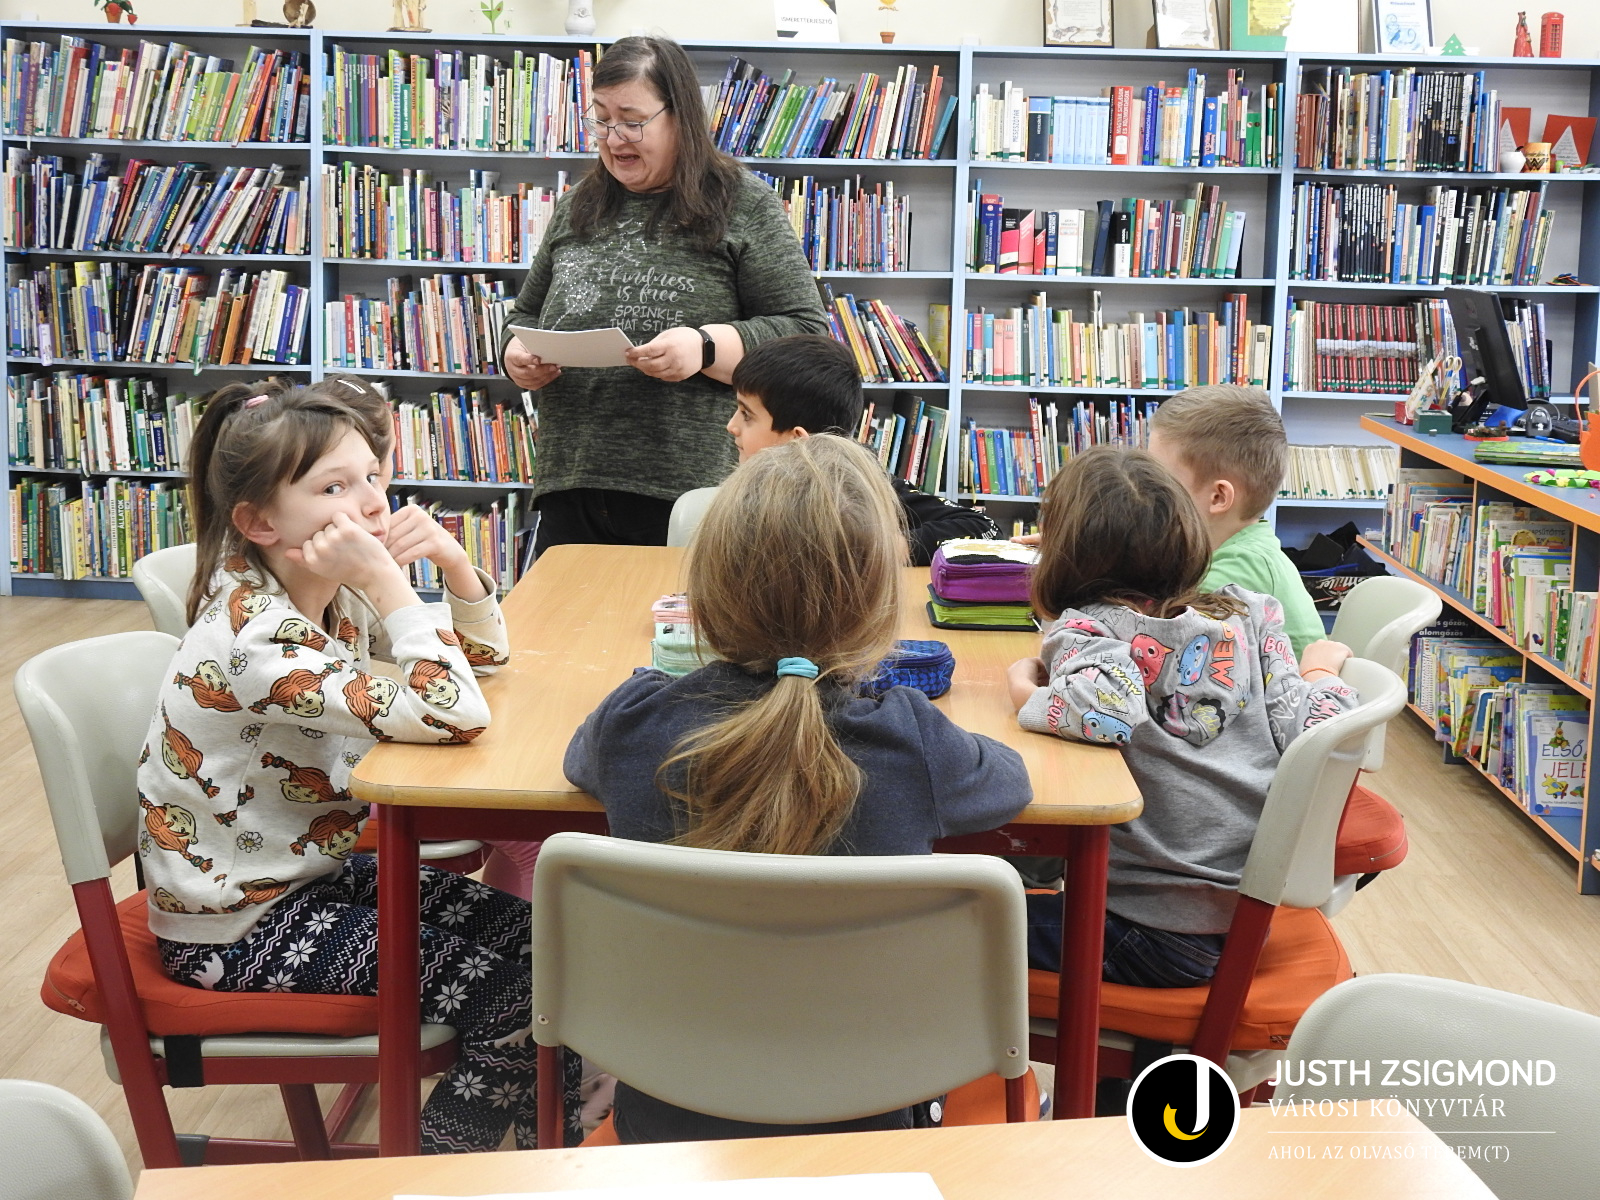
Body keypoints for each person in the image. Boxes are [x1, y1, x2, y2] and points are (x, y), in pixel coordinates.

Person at [138, 379, 581, 1153]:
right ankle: (430, 1181)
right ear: (260, 522)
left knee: (557, 946)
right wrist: (388, 580)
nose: (373, 502)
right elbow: (455, 711)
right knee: (515, 1003)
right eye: (334, 488)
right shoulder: (260, 641)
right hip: (235, 927)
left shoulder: (330, 598)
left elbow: (477, 663)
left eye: (372, 476)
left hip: (311, 877)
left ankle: (571, 1152)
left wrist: (452, 562)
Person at [564, 434, 1032, 1143]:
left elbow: (579, 762)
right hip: (870, 1119)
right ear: (879, 604)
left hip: (664, 1119)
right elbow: (1011, 781)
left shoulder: (632, 722)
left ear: (704, 595)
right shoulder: (911, 739)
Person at [1007, 444, 1358, 986]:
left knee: (951, 921)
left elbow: (1108, 713)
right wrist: (1320, 673)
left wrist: (1023, 693)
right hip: (1242, 918)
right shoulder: (1252, 616)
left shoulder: (1089, 630)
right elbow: (1323, 727)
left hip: (1143, 931)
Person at [500, 35, 829, 555]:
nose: (614, 138)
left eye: (632, 121)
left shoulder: (743, 203)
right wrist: (516, 355)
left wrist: (704, 347)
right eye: (601, 119)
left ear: (680, 117)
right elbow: (525, 314)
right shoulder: (578, 206)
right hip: (572, 480)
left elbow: (805, 334)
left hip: (690, 492)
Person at [724, 334, 1001, 564]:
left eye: (747, 415)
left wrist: (889, 548)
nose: (731, 426)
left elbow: (985, 528)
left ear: (798, 440)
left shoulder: (867, 489)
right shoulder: (744, 492)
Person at [1145, 384, 1326, 657]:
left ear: (1218, 497)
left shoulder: (1237, 574)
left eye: (1160, 480)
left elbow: (1166, 654)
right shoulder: (1241, 543)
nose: (1146, 490)